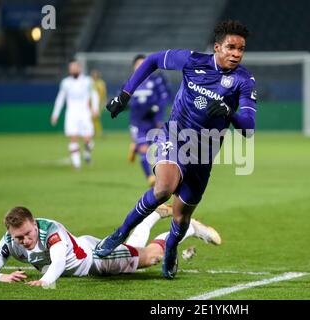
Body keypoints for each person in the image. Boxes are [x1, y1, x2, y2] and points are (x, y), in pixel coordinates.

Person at [96, 20, 256, 279]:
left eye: (241, 49)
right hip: (174, 136)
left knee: (181, 219)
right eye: (231, 47)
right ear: (217, 47)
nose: (236, 53)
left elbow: (249, 129)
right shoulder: (192, 61)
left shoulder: (243, 80)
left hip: (204, 153)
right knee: (163, 189)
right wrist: (126, 94)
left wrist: (230, 113)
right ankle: (120, 234)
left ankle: (170, 249)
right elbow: (152, 61)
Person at [0, 206, 221, 286]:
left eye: (28, 234)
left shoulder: (50, 231)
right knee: (133, 248)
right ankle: (155, 215)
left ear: (34, 223)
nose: (25, 241)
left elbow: (58, 262)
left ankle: (189, 228)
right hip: (86, 248)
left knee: (150, 257)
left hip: (95, 260)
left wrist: (45, 281)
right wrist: (3, 277)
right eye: (19, 238)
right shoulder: (9, 241)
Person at [126, 54, 172, 187]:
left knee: (159, 150)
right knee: (144, 149)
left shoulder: (156, 80)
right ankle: (150, 178)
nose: (141, 67)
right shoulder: (130, 82)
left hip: (153, 121)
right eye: (138, 65)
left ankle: (135, 147)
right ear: (134, 67)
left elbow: (165, 97)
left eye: (143, 64)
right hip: (137, 122)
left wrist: (158, 114)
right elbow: (124, 98)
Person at [51, 60, 99, 169]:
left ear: (79, 68)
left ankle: (86, 154)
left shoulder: (87, 81)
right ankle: (76, 164)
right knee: (73, 138)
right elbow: (60, 98)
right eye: (71, 68)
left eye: (74, 67)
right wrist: (55, 114)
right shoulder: (65, 83)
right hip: (71, 114)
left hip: (85, 113)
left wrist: (95, 109)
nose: (72, 69)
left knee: (88, 139)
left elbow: (94, 94)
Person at [90, 69, 107, 138]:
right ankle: (93, 131)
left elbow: (104, 93)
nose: (95, 75)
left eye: (96, 74)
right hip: (90, 104)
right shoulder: (90, 82)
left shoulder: (101, 83)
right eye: (93, 74)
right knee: (92, 118)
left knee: (96, 117)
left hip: (99, 104)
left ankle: (98, 132)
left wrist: (104, 101)